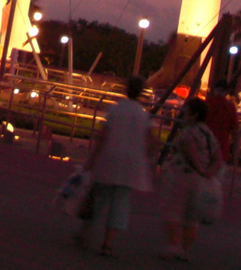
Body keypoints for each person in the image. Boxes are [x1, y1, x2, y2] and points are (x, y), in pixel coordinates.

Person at [76, 74, 157, 257]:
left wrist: (91, 161)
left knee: (98, 197)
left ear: (125, 89)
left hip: (109, 159)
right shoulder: (144, 115)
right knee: (120, 203)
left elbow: (103, 136)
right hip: (131, 165)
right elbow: (152, 142)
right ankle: (107, 244)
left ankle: (84, 233)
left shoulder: (116, 110)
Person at [159, 96, 221, 260]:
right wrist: (208, 173)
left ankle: (174, 247)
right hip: (200, 180)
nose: (184, 115)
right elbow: (217, 159)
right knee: (192, 217)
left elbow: (189, 152)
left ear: (193, 115)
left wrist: (199, 169)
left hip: (183, 175)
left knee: (174, 211)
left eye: (187, 112)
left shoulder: (189, 132)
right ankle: (185, 250)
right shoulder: (209, 134)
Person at [206, 80, 239, 165]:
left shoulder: (207, 104)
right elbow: (235, 129)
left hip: (205, 143)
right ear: (226, 92)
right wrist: (235, 152)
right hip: (221, 145)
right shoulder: (230, 107)